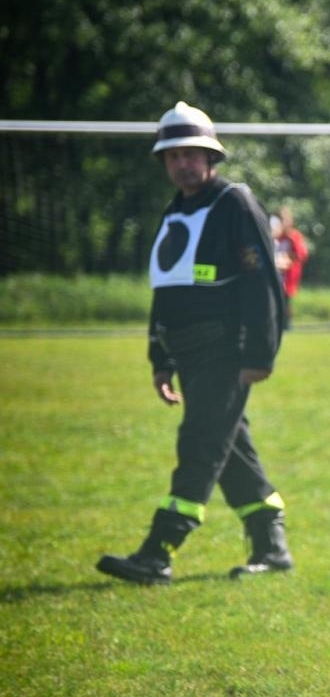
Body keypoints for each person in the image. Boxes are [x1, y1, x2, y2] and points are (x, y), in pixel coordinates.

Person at [96, 101, 293, 584]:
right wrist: (160, 358)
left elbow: (262, 284)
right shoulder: (175, 211)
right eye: (173, 156)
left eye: (191, 154)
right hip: (187, 354)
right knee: (231, 449)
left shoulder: (234, 204)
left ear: (211, 157)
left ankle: (157, 552)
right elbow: (166, 289)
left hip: (227, 352)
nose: (182, 163)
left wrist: (259, 353)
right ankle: (272, 547)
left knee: (200, 444)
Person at [272, 205, 308, 329]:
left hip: (287, 277)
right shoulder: (275, 236)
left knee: (285, 301)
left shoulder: (294, 236)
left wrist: (287, 260)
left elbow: (301, 254)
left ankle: (287, 325)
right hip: (275, 275)